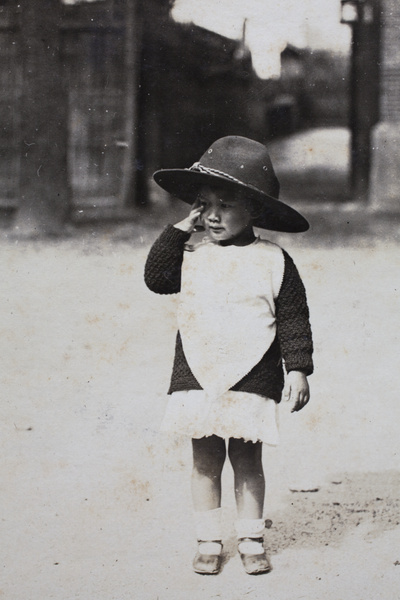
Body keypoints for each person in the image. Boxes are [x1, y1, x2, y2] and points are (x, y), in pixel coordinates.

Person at [144, 136, 313, 575]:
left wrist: (297, 368)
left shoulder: (274, 261)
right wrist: (182, 228)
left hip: (252, 371)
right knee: (204, 458)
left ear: (254, 210)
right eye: (205, 204)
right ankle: (208, 539)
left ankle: (252, 538)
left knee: (246, 457)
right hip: (197, 369)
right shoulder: (192, 256)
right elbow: (157, 279)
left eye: (226, 204)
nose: (213, 215)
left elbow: (293, 318)